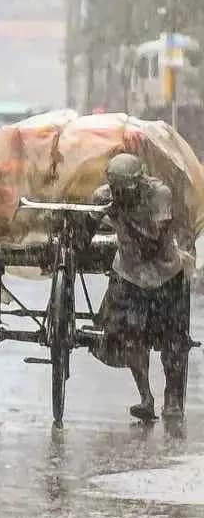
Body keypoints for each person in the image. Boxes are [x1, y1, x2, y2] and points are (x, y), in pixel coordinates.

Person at [92, 152, 191, 421]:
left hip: (164, 273)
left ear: (139, 184)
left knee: (173, 341)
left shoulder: (160, 195)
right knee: (131, 336)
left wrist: (122, 215)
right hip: (129, 273)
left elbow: (152, 244)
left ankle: (172, 400)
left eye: (124, 191)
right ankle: (145, 396)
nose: (119, 195)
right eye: (115, 190)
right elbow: (88, 227)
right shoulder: (104, 196)